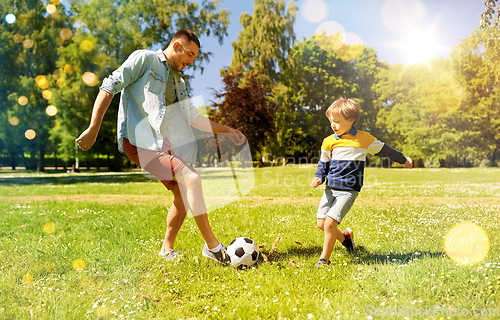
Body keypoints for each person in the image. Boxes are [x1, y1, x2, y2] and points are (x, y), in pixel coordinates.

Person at [76, 29, 245, 264]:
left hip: (159, 143)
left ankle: (167, 249)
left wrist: (227, 130)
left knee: (183, 195)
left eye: (195, 57)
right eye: (190, 54)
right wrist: (94, 128)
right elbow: (109, 86)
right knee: (193, 179)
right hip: (138, 140)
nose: (191, 61)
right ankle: (213, 248)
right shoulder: (144, 59)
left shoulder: (178, 80)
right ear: (176, 46)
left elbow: (193, 118)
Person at [311, 98, 412, 267]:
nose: (333, 125)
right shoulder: (329, 141)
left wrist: (403, 159)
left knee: (330, 223)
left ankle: (324, 260)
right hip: (330, 189)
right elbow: (324, 164)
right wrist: (319, 176)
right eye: (331, 121)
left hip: (348, 190)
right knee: (322, 224)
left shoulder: (364, 139)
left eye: (336, 121)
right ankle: (346, 239)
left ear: (351, 120)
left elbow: (385, 150)